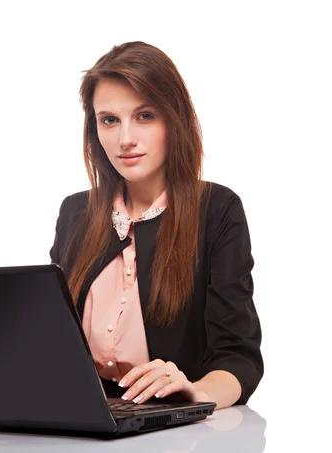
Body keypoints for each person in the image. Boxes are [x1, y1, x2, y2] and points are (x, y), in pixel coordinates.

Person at [49, 41, 263, 410]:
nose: (125, 138)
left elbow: (237, 359)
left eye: (145, 116)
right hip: (79, 420)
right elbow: (51, 338)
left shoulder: (216, 210)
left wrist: (196, 394)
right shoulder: (76, 213)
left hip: (174, 431)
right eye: (109, 120)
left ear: (173, 119)